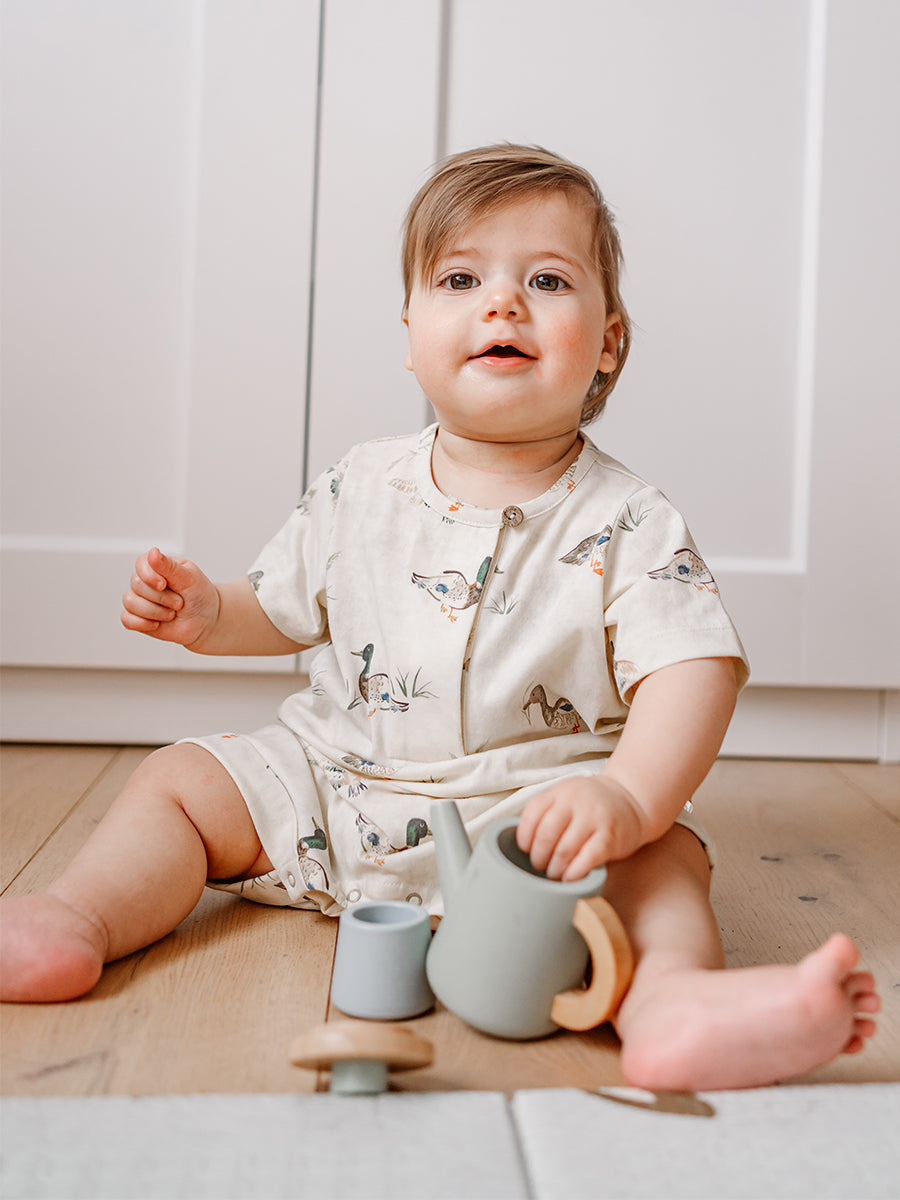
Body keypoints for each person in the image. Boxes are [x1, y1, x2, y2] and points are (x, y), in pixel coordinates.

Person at [0, 144, 879, 1091]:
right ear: (412, 333)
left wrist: (627, 799)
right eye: (461, 280)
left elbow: (691, 668)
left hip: (535, 823)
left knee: (663, 861)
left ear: (609, 342)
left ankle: (672, 1002)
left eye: (547, 280)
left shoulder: (631, 520)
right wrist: (212, 613)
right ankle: (77, 917)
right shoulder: (360, 481)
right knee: (180, 781)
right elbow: (284, 606)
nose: (502, 304)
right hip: (337, 790)